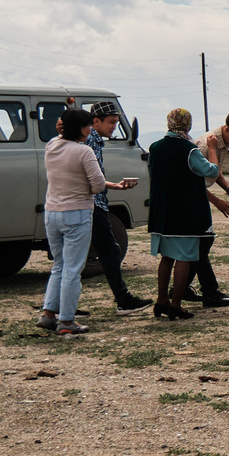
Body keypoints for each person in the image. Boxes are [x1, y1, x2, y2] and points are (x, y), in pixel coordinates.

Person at [42, 106, 134, 335]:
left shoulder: (52, 145)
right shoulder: (83, 151)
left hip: (52, 211)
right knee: (74, 268)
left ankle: (48, 313)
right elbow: (98, 185)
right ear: (83, 128)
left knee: (59, 265)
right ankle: (66, 321)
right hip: (76, 212)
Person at [147, 108, 229, 320]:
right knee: (185, 258)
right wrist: (213, 149)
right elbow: (212, 172)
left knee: (167, 258)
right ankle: (176, 304)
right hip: (184, 211)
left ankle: (162, 300)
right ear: (188, 125)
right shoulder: (189, 150)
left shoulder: (155, 147)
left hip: (161, 211)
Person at [84, 102, 149, 315]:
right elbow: (91, 178)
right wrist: (110, 186)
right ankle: (123, 300)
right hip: (94, 204)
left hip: (93, 202)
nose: (114, 127)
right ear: (96, 121)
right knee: (110, 251)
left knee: (92, 254)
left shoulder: (92, 140)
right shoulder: (91, 141)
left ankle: (56, 307)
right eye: (112, 122)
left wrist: (114, 185)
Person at [189, 112, 229, 307]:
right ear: (227, 129)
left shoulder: (220, 144)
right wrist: (217, 201)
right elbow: (192, 182)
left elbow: (216, 172)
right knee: (201, 243)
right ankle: (209, 292)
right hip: (194, 198)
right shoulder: (204, 145)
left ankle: (183, 288)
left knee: (201, 244)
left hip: (199, 197)